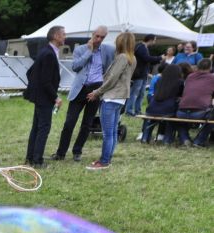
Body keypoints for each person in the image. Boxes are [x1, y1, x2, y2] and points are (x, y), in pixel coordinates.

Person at [52, 26, 113, 162]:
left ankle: (77, 151)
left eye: (102, 37)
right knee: (69, 123)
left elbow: (109, 68)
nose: (99, 39)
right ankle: (61, 153)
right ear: (93, 34)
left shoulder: (108, 50)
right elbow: (75, 67)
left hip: (96, 89)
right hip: (80, 89)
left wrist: (102, 85)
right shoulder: (80, 49)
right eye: (97, 36)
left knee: (87, 124)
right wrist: (89, 51)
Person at [85, 32, 136, 170]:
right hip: (120, 98)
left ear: (121, 42)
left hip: (111, 97)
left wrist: (97, 92)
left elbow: (112, 78)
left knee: (108, 133)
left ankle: (104, 161)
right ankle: (107, 158)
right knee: (112, 132)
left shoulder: (122, 57)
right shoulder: (132, 58)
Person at [24, 26, 65, 167]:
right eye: (63, 34)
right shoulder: (49, 54)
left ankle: (30, 158)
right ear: (56, 36)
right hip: (45, 98)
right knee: (43, 129)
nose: (65, 37)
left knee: (36, 128)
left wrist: (35, 90)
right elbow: (46, 81)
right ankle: (37, 160)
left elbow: (30, 73)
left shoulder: (45, 51)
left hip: (40, 97)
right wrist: (56, 97)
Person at [174, 58, 214, 147]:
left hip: (181, 112)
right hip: (200, 113)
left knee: (178, 119)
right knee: (212, 117)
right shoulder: (212, 78)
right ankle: (199, 141)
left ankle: (184, 138)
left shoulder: (190, 77)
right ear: (210, 67)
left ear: (198, 66)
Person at [140, 64, 184, 144]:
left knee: (150, 119)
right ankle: (167, 139)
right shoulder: (180, 82)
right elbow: (181, 95)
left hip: (152, 108)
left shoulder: (159, 80)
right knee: (172, 119)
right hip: (168, 110)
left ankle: (144, 138)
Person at [126, 34, 162, 116]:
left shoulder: (144, 47)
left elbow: (146, 61)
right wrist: (159, 58)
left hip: (143, 74)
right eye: (154, 40)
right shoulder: (141, 47)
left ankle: (138, 110)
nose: (155, 42)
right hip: (138, 74)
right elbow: (147, 58)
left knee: (141, 94)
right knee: (134, 93)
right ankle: (129, 111)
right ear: (150, 39)